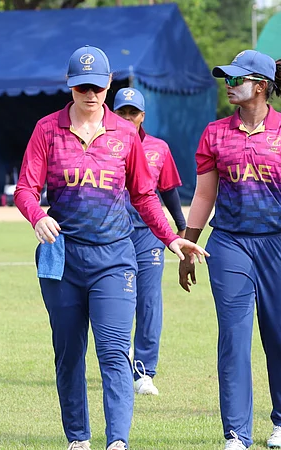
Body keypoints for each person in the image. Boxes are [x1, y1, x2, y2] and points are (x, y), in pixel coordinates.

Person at [14, 45, 208, 450]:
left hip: (114, 260)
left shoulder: (124, 134)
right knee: (68, 355)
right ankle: (78, 439)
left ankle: (117, 441)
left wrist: (173, 237)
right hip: (63, 260)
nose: (90, 93)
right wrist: (38, 216)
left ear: (108, 85)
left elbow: (144, 195)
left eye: (97, 85)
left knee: (114, 354)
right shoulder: (46, 130)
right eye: (82, 85)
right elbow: (25, 190)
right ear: (70, 86)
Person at [179, 50, 281, 450]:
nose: (228, 85)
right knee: (234, 337)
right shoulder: (214, 133)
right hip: (229, 244)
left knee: (280, 334)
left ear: (260, 85)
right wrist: (190, 242)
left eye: (236, 79)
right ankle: (236, 433)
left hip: (279, 244)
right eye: (226, 79)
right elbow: (205, 193)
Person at [113, 87, 187, 396]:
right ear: (113, 113)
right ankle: (118, 362)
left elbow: (168, 190)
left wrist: (181, 227)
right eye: (122, 112)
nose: (128, 118)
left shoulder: (159, 148)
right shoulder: (105, 144)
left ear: (143, 116)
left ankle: (144, 371)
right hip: (113, 235)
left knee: (149, 300)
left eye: (134, 113)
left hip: (148, 235)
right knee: (116, 301)